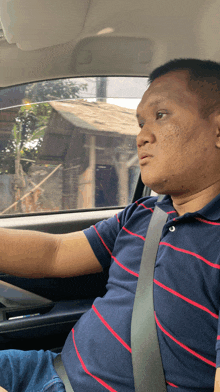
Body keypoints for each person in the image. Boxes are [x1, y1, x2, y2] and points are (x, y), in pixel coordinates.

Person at [1, 58, 220, 392]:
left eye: (161, 115)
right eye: (140, 122)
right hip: (50, 368)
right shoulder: (144, 214)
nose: (141, 136)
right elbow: (55, 254)